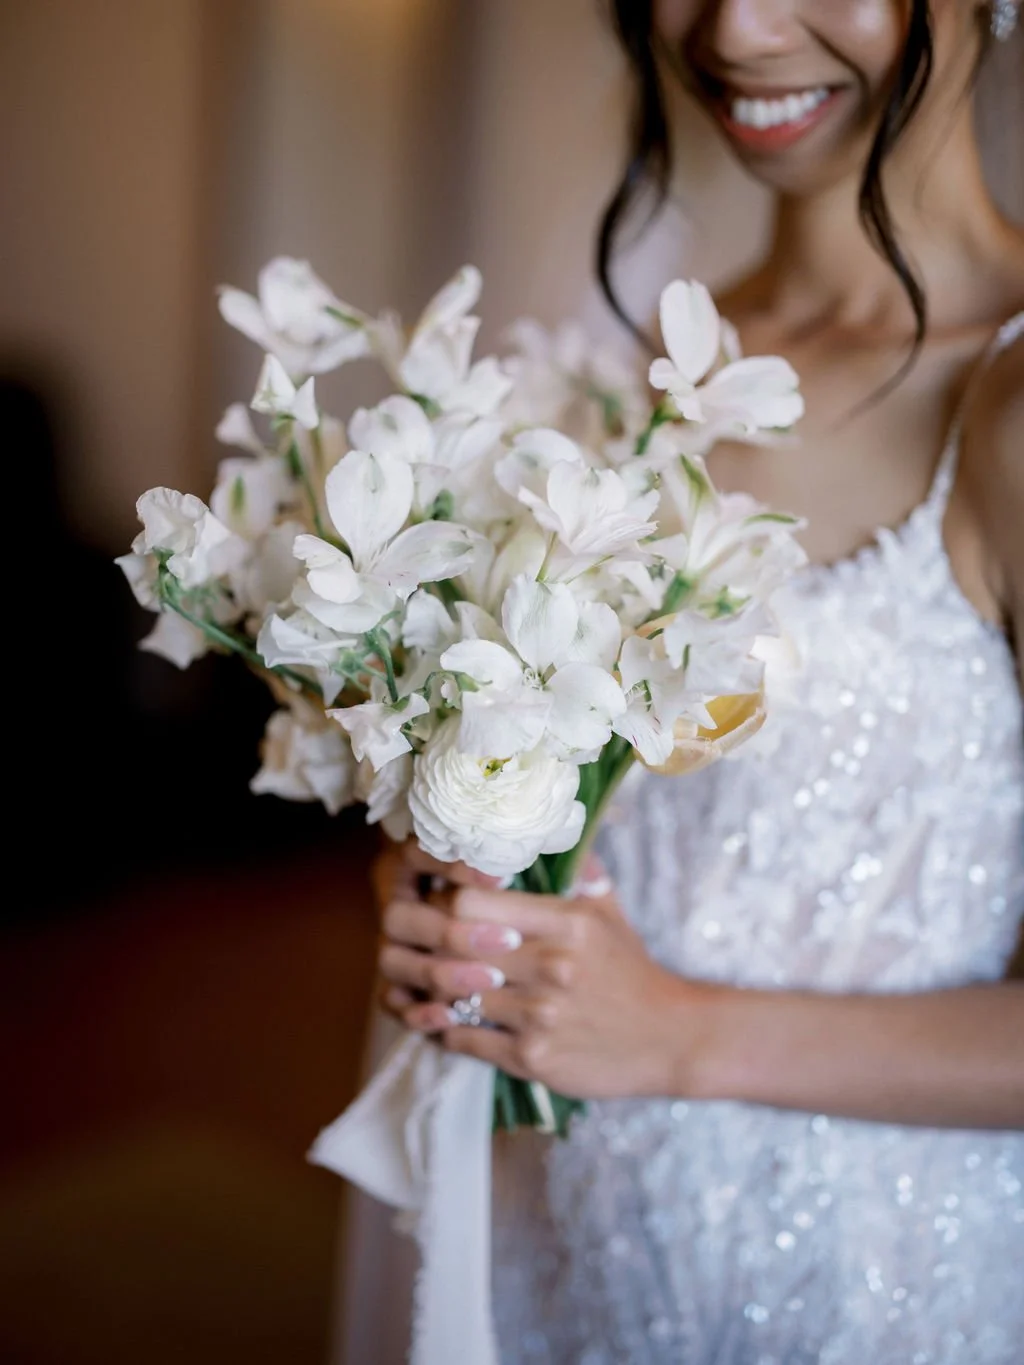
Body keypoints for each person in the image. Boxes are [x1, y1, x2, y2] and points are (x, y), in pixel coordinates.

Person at [371, 2, 1024, 1361]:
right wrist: (464, 859)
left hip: (874, 1289)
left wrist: (673, 1035)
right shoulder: (629, 369)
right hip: (563, 1234)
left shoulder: (1007, 407)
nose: (735, 27)